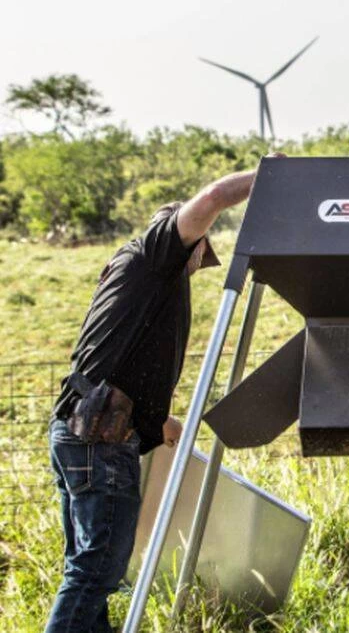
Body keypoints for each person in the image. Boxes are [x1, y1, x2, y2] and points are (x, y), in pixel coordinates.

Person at [45, 168, 258, 633]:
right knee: (95, 572)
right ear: (187, 241)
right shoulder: (155, 253)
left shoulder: (136, 281)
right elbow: (215, 196)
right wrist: (269, 174)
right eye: (199, 249)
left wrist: (167, 428)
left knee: (87, 572)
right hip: (100, 440)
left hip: (83, 430)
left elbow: (122, 376)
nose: (201, 260)